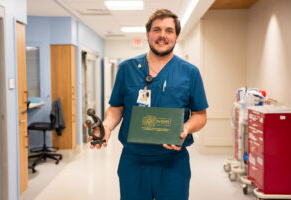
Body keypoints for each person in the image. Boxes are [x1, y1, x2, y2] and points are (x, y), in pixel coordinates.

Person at [88, 9, 208, 200]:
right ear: (148, 34)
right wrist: (107, 125)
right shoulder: (127, 68)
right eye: (157, 29)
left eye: (169, 30)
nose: (162, 35)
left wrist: (185, 128)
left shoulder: (190, 72)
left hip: (173, 163)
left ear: (176, 36)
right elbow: (116, 107)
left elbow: (200, 115)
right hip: (133, 161)